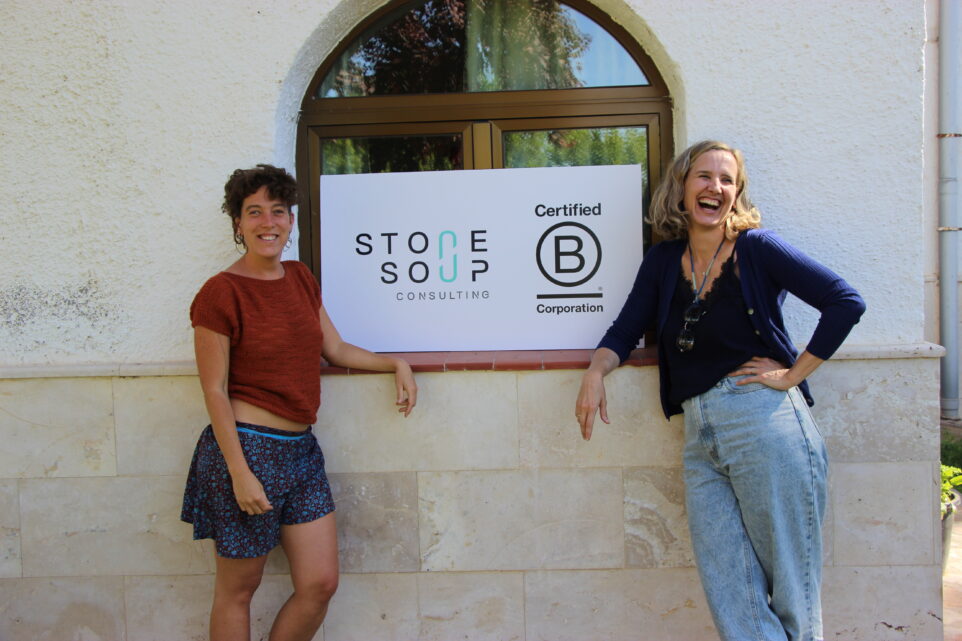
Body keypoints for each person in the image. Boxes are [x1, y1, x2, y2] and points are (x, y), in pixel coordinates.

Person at [575, 141, 864, 641]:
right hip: (699, 437)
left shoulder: (758, 249)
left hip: (766, 425)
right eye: (704, 176)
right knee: (734, 597)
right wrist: (596, 372)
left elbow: (844, 302)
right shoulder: (665, 260)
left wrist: (795, 374)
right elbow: (624, 330)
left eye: (727, 179)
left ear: (737, 193)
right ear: (682, 188)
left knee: (793, 594)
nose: (715, 187)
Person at [181, 164, 417, 641]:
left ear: (290, 221)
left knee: (320, 582)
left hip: (301, 452)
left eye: (278, 211)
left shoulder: (299, 278)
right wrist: (239, 471)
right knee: (239, 588)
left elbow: (336, 349)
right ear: (237, 223)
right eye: (254, 212)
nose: (268, 222)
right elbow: (213, 389)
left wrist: (396, 363)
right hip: (248, 449)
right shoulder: (219, 293)